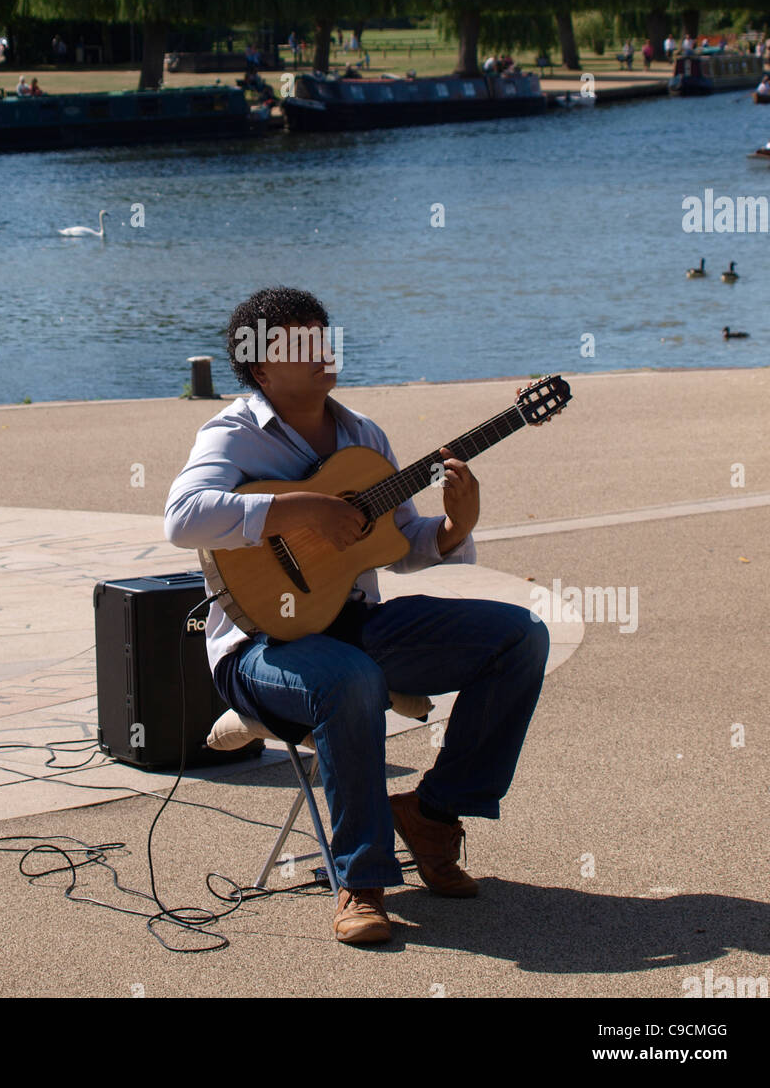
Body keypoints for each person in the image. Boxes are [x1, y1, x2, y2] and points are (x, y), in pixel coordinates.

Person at [164, 286, 550, 946]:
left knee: (517, 636)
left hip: (352, 620)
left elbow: (397, 544)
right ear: (260, 366)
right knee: (348, 678)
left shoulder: (363, 437)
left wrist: (456, 526)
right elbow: (182, 518)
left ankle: (433, 813)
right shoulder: (230, 435)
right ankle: (360, 881)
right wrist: (300, 509)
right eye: (301, 343)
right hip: (259, 646)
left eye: (324, 336)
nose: (323, 352)